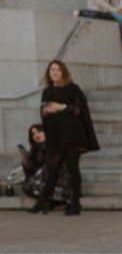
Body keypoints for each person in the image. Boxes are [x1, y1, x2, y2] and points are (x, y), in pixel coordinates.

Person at [32, 61, 96, 216]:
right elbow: (44, 113)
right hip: (55, 137)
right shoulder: (47, 91)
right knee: (53, 169)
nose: (55, 72)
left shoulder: (73, 89)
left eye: (58, 70)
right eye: (52, 69)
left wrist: (60, 107)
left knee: (73, 169)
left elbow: (79, 109)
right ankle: (42, 202)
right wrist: (45, 111)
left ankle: (75, 204)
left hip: (72, 136)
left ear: (64, 73)